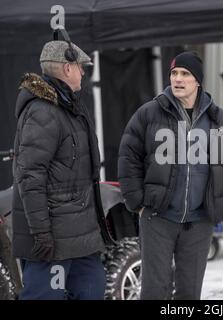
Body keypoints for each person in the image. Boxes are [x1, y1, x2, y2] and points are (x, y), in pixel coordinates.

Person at [118, 51, 223, 300]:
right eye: (174, 73)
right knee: (154, 291)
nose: (177, 79)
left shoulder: (220, 121)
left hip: (199, 221)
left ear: (198, 80)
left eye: (185, 74)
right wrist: (138, 203)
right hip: (158, 217)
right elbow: (127, 158)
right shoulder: (148, 114)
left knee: (189, 293)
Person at [12, 32, 112, 299]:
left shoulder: (70, 106)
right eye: (80, 67)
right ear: (67, 68)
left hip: (81, 235)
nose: (83, 73)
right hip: (53, 239)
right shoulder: (43, 111)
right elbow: (29, 175)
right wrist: (41, 232)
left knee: (93, 291)